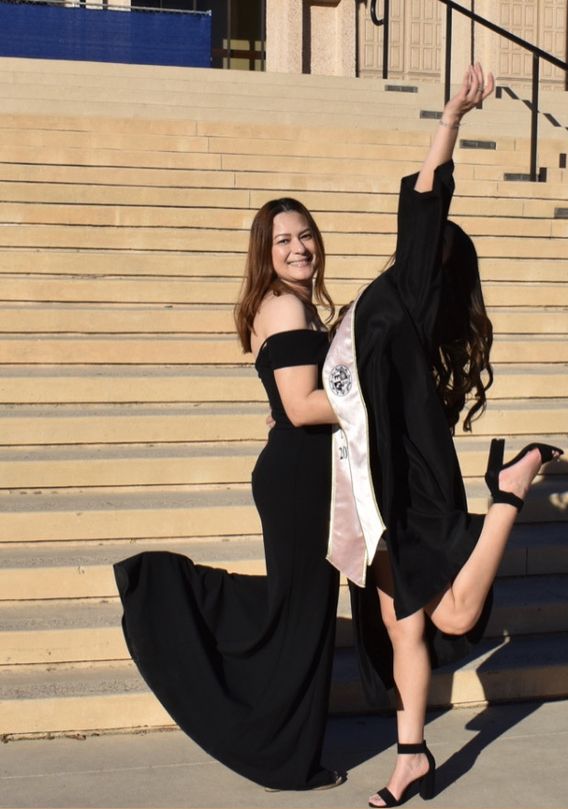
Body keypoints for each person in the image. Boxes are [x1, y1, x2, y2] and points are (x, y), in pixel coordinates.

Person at [321, 64, 563, 806]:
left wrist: (452, 117)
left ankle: (508, 492)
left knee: (450, 614)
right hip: (375, 483)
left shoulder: (412, 291)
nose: (415, 242)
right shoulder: (385, 302)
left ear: (435, 260)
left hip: (412, 481)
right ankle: (411, 756)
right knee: (404, 631)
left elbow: (427, 194)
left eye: (428, 246)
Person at [113, 197, 346, 791]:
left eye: (306, 235)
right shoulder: (287, 305)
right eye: (283, 240)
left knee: (301, 610)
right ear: (264, 254)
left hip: (301, 471)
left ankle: (289, 751)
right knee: (299, 613)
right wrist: (375, 403)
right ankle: (166, 590)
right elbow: (300, 407)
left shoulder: (296, 307)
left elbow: (285, 404)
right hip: (301, 478)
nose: (299, 248)